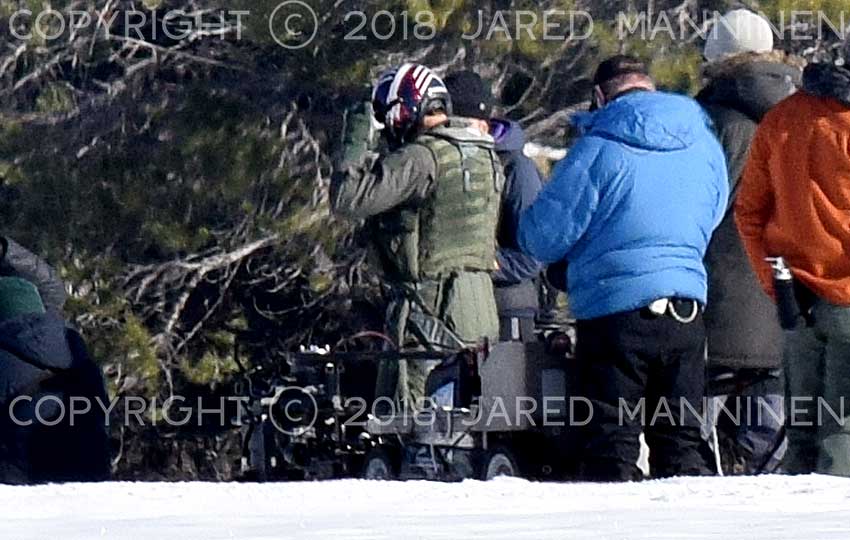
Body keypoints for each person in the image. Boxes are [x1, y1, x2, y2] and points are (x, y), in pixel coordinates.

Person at [518, 55, 729, 481]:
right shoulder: (704, 144)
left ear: (600, 97)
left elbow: (541, 237)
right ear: (649, 87)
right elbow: (715, 211)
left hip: (613, 315)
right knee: (682, 441)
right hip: (686, 311)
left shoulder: (597, 149)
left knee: (611, 442)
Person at [331, 63, 503, 408]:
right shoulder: (484, 155)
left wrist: (357, 130)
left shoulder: (421, 158)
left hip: (429, 313)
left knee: (414, 422)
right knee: (468, 419)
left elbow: (347, 199)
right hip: (480, 309)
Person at [735, 41, 850, 477]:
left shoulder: (783, 116)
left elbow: (749, 212)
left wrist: (775, 281)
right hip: (842, 297)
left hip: (796, 299)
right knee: (841, 432)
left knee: (802, 430)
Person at [697, 9, 803, 474]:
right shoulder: (805, 115)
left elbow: (698, 212)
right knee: (769, 457)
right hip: (788, 301)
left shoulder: (712, 122)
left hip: (718, 304)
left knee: (692, 453)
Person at [444, 71, 543, 342]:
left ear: (482, 125)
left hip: (507, 310)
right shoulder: (443, 162)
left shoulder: (516, 170)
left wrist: (473, 259)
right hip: (453, 309)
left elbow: (530, 258)